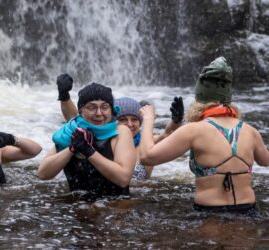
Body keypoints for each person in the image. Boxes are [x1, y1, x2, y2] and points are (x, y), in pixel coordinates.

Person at [139, 57, 269, 213]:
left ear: (199, 98)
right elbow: (265, 161)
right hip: (249, 210)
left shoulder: (194, 130)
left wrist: (147, 120)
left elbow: (147, 157)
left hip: (211, 213)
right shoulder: (250, 130)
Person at [54, 73, 184, 179]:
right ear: (113, 121)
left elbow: (167, 134)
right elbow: (76, 118)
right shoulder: (106, 139)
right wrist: (65, 97)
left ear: (140, 122)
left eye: (134, 119)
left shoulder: (147, 142)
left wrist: (176, 121)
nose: (129, 124)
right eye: (123, 119)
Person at [38, 83, 137, 198]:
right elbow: (43, 174)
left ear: (111, 110)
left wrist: (89, 152)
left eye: (104, 107)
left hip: (115, 206)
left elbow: (123, 179)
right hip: (77, 207)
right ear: (81, 111)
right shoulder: (70, 132)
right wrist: (72, 148)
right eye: (92, 107)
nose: (99, 113)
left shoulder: (120, 132)